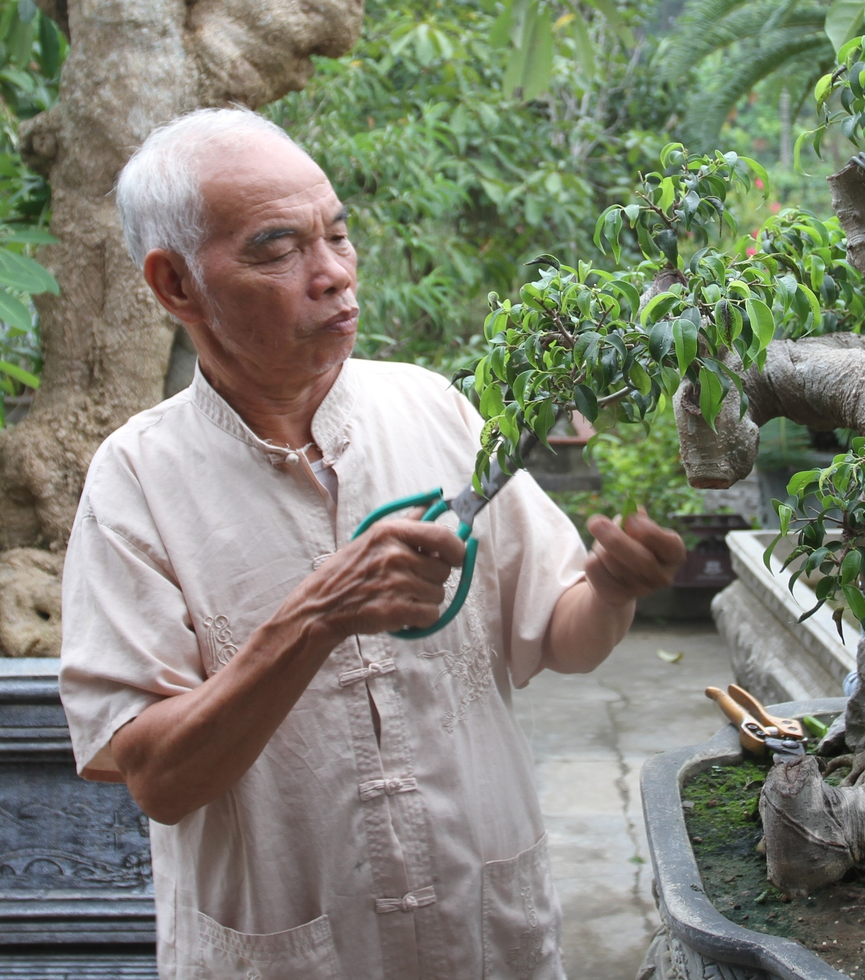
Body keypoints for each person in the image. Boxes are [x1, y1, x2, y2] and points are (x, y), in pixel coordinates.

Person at [59, 108, 688, 980]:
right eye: (278, 250)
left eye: (339, 236)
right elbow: (160, 780)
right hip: (292, 950)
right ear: (174, 286)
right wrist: (316, 614)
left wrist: (614, 588)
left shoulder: (433, 408)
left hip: (483, 935)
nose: (334, 276)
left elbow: (561, 633)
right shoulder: (136, 480)